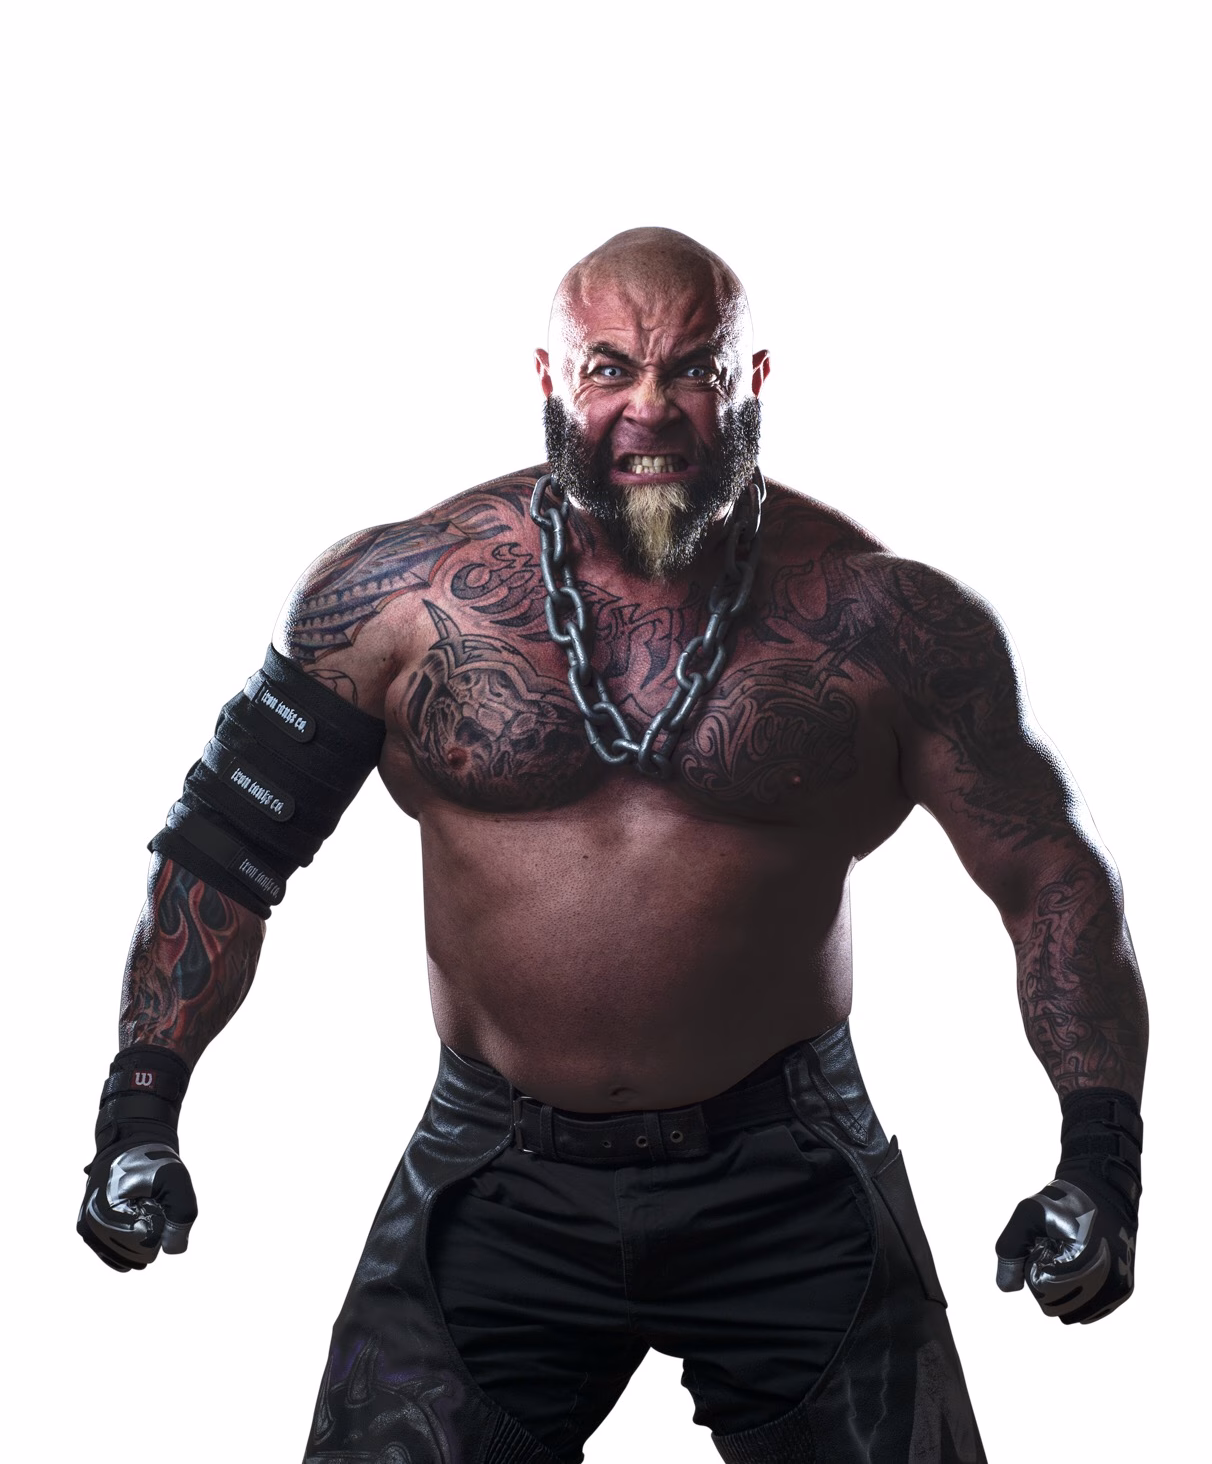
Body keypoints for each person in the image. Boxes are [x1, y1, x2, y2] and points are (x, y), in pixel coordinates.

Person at [78, 227, 1147, 1464]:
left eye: (693, 369)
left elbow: (1048, 875)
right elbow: (224, 849)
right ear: (548, 377)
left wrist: (1100, 1161)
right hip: (493, 1172)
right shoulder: (399, 600)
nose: (651, 408)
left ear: (751, 381)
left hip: (790, 1171)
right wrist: (139, 1112)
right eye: (608, 370)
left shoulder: (884, 621)